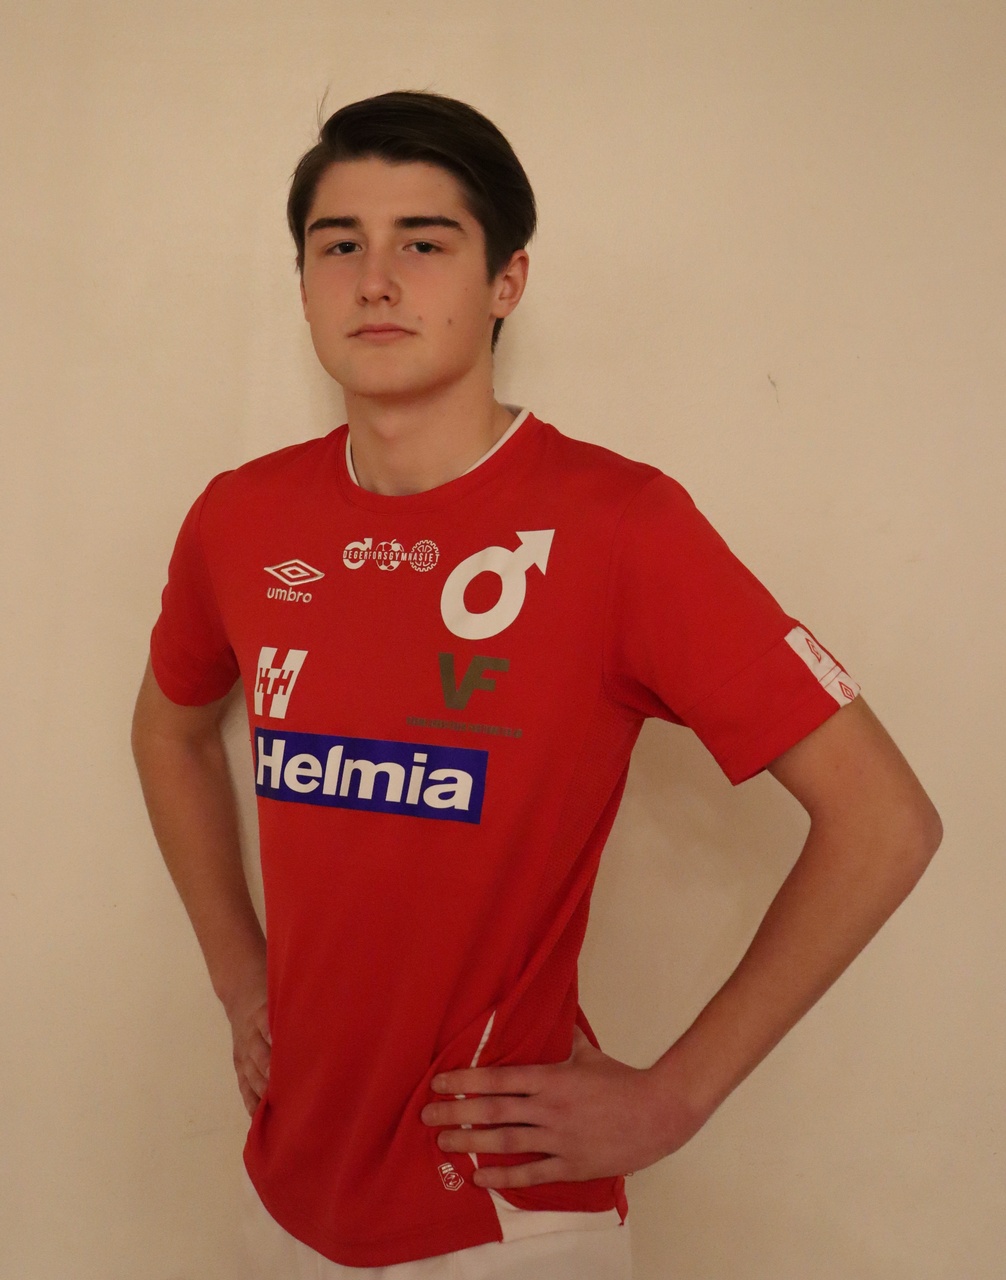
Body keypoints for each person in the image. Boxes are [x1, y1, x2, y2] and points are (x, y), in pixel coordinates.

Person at [131, 90, 942, 1279]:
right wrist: (236, 968)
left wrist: (675, 1096)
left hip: (501, 1218)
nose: (375, 280)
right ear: (301, 281)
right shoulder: (240, 518)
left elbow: (884, 820)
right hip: (283, 1189)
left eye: (424, 242)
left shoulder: (619, 526)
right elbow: (169, 732)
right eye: (338, 244)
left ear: (506, 279)